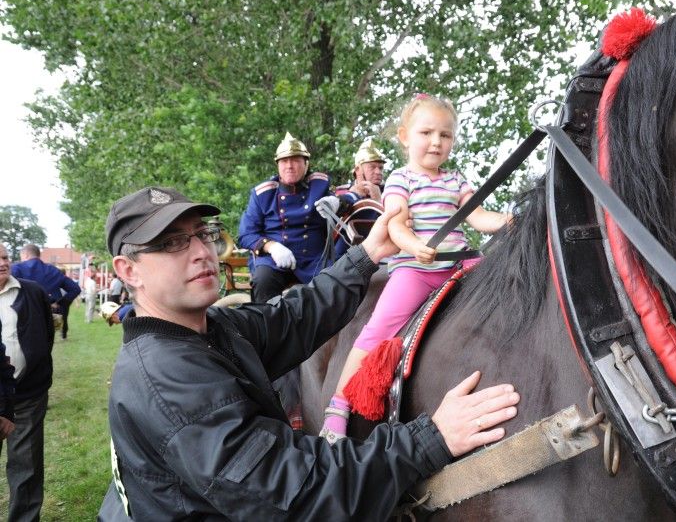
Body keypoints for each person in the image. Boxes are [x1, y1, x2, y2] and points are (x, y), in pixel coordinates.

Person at [98, 186, 519, 520]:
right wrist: (431, 439)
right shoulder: (167, 374)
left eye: (202, 235)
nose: (202, 252)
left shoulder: (204, 330)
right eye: (173, 243)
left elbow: (293, 319)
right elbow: (297, 495)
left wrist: (368, 255)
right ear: (128, 271)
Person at [321, 94, 511, 442]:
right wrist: (413, 246)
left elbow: (478, 217)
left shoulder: (456, 180)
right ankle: (339, 404)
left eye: (445, 135)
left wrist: (507, 221)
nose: (437, 142)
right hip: (416, 268)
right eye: (427, 133)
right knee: (378, 328)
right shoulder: (400, 179)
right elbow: (395, 223)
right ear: (405, 136)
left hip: (461, 263)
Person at [237, 132, 353, 303]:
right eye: (284, 161)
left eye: (296, 160)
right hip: (273, 261)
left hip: (314, 261)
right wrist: (272, 247)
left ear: (306, 164)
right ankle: (268, 328)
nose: (289, 166)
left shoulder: (319, 186)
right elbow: (245, 234)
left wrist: (338, 201)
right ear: (278, 166)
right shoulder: (263, 194)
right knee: (262, 281)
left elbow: (350, 201)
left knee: (338, 285)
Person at [0, 244, 55, 522]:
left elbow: (46, 335)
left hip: (27, 395)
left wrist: (36, 371)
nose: (2, 263)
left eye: (5, 257)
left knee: (26, 466)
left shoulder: (31, 291)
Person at [12, 244, 80, 340]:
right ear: (38, 255)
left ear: (25, 255)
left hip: (21, 317)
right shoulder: (52, 270)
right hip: (46, 318)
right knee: (45, 349)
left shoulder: (16, 268)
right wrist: (60, 303)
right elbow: (75, 289)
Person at [334, 136, 387, 203]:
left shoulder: (390, 193)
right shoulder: (340, 192)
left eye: (381, 168)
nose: (378, 172)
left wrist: (379, 200)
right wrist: (350, 197)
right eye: (372, 167)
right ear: (357, 170)